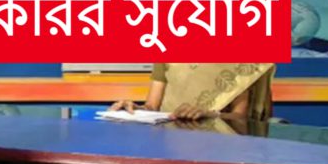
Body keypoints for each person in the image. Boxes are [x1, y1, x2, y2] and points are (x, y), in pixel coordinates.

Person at [109, 63, 276, 122]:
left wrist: (209, 114)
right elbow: (152, 106)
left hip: (219, 142)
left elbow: (240, 117)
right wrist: (135, 109)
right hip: (169, 139)